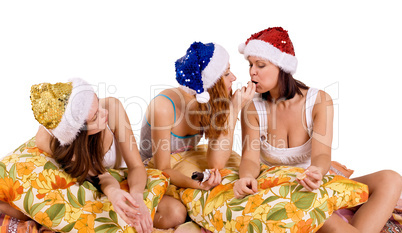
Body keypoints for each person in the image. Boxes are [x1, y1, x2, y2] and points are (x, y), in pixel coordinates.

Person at [233, 27, 402, 233]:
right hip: (280, 190)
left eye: (261, 65)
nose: (252, 71)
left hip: (314, 182)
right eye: (250, 65)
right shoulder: (252, 107)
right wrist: (246, 177)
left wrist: (316, 172)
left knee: (391, 179)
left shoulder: (319, 101)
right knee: (325, 218)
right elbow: (249, 159)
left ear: (282, 67)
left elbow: (322, 154)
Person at [0, 78, 153, 233]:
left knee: (169, 212)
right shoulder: (57, 141)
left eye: (98, 102)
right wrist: (112, 192)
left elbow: (136, 166)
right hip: (88, 179)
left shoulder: (112, 109)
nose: (104, 112)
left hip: (126, 177)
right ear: (77, 133)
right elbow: (99, 175)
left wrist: (137, 198)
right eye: (95, 117)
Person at [139, 41, 255, 228]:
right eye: (226, 74)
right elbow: (163, 170)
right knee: (177, 213)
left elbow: (216, 163)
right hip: (153, 170)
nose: (233, 77)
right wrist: (198, 184)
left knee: (232, 185)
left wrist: (233, 110)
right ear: (210, 82)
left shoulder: (212, 102)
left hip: (186, 163)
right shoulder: (164, 106)